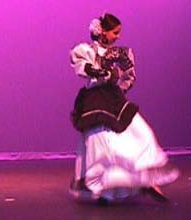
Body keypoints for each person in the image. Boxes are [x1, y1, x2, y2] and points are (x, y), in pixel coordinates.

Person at [69, 13, 179, 205]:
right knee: (102, 150)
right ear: (102, 31)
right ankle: (106, 191)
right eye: (115, 32)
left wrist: (116, 82)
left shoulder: (120, 53)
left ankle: (142, 181)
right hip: (95, 102)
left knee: (141, 134)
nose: (118, 36)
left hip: (113, 100)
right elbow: (84, 68)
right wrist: (103, 73)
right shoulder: (86, 50)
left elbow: (129, 77)